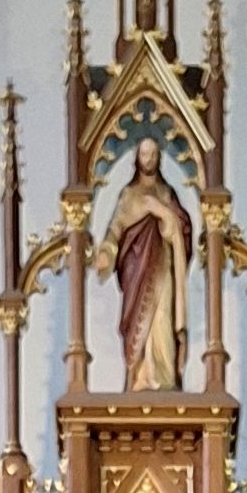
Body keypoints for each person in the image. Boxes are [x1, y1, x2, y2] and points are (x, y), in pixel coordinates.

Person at [92, 135, 193, 390]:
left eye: (153, 154)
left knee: (162, 318)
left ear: (159, 158)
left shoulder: (166, 193)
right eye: (144, 154)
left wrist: (163, 212)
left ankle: (163, 379)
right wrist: (106, 253)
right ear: (137, 158)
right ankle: (140, 377)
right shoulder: (129, 195)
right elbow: (115, 229)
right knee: (139, 326)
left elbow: (182, 230)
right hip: (135, 272)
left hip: (162, 269)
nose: (148, 160)